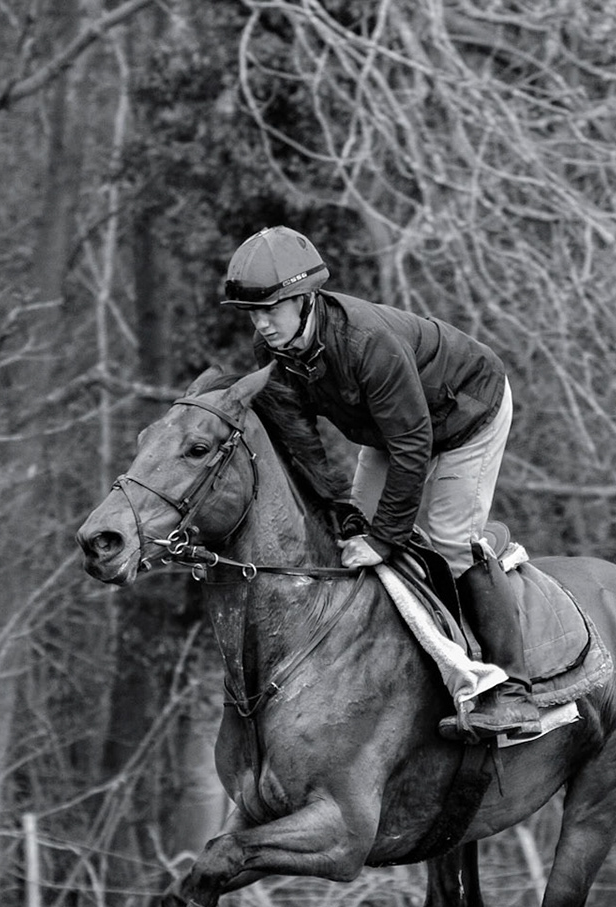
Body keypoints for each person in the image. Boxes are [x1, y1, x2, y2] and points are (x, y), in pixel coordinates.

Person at [220, 225, 540, 742]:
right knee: (348, 544)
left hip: (467, 413)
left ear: (305, 299)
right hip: (395, 427)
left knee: (449, 542)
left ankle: (514, 693)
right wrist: (342, 512)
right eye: (252, 314)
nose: (262, 325)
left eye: (270, 310)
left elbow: (414, 444)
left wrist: (385, 539)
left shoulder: (367, 343)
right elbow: (303, 443)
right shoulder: (274, 352)